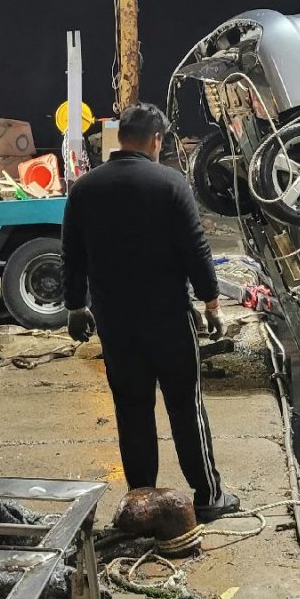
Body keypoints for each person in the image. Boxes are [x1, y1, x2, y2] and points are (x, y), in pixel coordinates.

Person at [61, 102, 240, 521]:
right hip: (169, 320)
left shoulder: (85, 189)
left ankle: (142, 502)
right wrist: (211, 301)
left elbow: (72, 254)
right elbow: (196, 250)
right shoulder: (169, 183)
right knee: (185, 406)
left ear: (118, 137)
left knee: (132, 409)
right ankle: (207, 497)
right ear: (156, 139)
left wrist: (74, 306)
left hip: (116, 324)